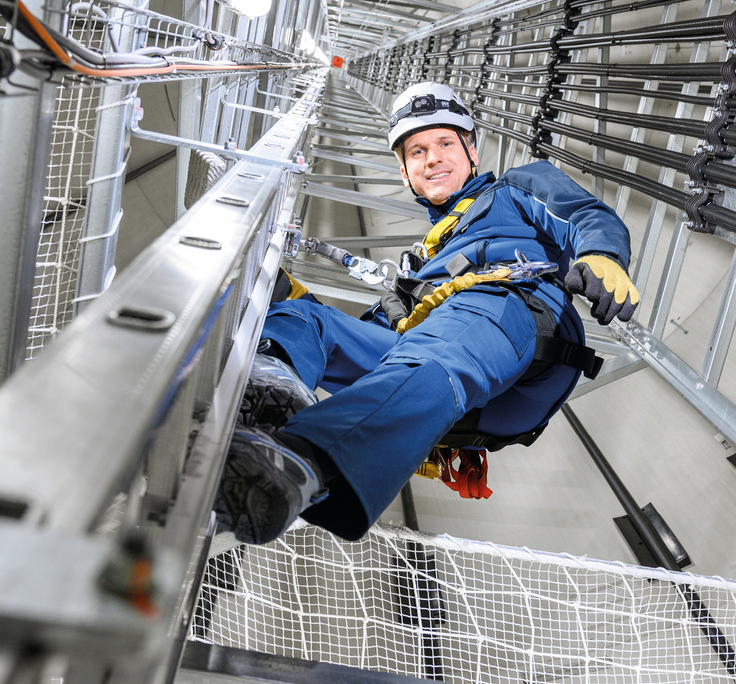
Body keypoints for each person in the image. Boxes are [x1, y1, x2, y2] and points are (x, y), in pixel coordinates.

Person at [215, 81, 640, 544]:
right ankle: (266, 397)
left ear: (471, 152)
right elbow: (362, 349)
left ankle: (302, 463)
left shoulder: (515, 190)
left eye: (444, 144)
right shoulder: (419, 273)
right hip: (435, 356)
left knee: (446, 337)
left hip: (518, 326)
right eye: (416, 152)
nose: (432, 158)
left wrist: (601, 253)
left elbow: (581, 213)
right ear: (404, 173)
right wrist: (294, 305)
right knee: (308, 323)